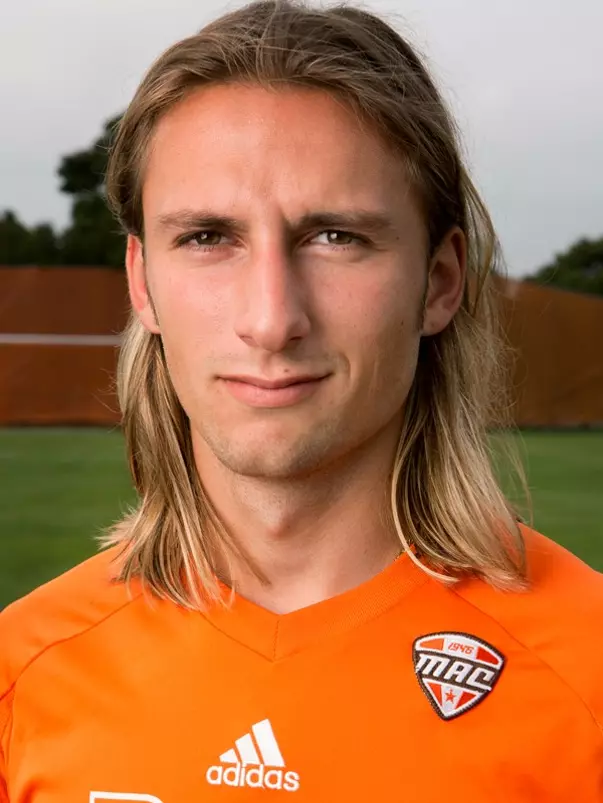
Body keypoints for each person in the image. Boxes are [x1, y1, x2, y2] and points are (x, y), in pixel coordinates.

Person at [1, 1, 602, 800]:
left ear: (440, 281)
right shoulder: (24, 675)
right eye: (209, 237)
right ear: (142, 282)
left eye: (335, 236)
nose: (271, 319)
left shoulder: (584, 673)